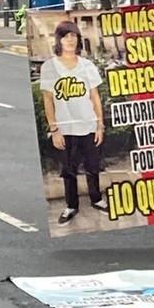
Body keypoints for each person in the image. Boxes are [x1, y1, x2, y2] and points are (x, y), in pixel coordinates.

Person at [40, 20, 107, 225]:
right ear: (59, 40)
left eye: (73, 36)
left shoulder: (87, 66)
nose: (70, 40)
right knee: (68, 169)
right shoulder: (49, 67)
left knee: (92, 166)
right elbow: (48, 99)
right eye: (65, 36)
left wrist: (99, 124)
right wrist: (54, 129)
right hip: (66, 128)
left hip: (87, 125)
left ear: (78, 40)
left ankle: (96, 198)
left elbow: (95, 96)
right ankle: (71, 206)